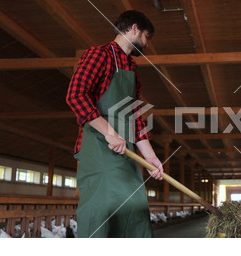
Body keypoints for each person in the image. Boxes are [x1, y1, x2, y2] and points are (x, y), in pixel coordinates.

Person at [66, 10, 164, 238]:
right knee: (101, 210)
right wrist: (109, 133)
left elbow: (135, 118)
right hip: (99, 149)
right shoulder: (99, 55)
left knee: (135, 209)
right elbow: (76, 95)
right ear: (134, 29)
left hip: (126, 151)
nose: (146, 44)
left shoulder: (132, 69)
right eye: (146, 37)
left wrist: (150, 158)